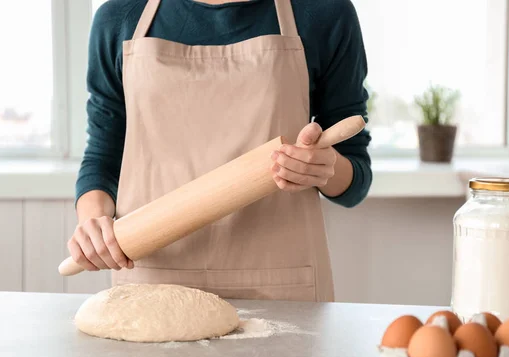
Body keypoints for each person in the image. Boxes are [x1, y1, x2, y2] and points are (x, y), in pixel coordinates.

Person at [70, 0, 372, 302]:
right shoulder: (121, 17)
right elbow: (103, 157)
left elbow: (355, 178)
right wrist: (93, 225)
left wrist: (325, 168)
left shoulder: (323, 11)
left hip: (283, 283)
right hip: (153, 280)